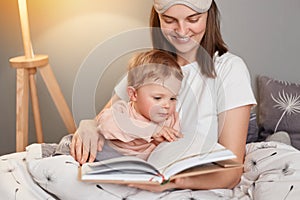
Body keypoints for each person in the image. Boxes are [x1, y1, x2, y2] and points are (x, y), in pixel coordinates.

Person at [70, 0, 257, 191]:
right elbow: (107, 119)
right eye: (170, 20)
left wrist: (172, 183)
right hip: (129, 175)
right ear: (158, 18)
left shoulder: (229, 69)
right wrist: (89, 125)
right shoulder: (147, 68)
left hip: (182, 186)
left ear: (209, 17)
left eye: (193, 19)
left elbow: (232, 172)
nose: (182, 31)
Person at [96, 49, 183, 160]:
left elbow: (175, 144)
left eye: (172, 98)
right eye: (157, 98)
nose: (167, 105)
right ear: (134, 95)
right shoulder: (122, 110)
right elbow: (106, 126)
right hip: (111, 154)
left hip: (142, 164)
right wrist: (151, 130)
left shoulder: (171, 119)